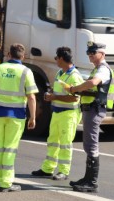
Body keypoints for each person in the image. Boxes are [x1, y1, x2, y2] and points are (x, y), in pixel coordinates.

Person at [0, 43, 38, 192]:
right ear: (23, 56)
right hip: (17, 115)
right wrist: (33, 117)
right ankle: (6, 183)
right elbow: (31, 97)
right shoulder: (26, 71)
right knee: (10, 148)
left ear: (8, 55)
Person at [63, 42, 114, 193]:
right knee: (88, 144)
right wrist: (80, 91)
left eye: (93, 52)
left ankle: (91, 182)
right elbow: (93, 89)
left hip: (95, 109)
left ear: (102, 54)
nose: (90, 55)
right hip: (90, 109)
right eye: (88, 52)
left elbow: (93, 83)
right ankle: (87, 178)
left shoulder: (103, 70)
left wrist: (74, 89)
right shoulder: (97, 69)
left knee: (91, 145)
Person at [32, 47, 84, 180]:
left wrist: (54, 98)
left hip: (69, 114)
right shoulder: (60, 73)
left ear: (61, 58)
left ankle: (64, 171)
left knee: (65, 144)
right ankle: (48, 169)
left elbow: (75, 97)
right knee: (53, 141)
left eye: (56, 58)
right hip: (57, 112)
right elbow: (59, 93)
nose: (55, 60)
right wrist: (51, 96)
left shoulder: (74, 76)